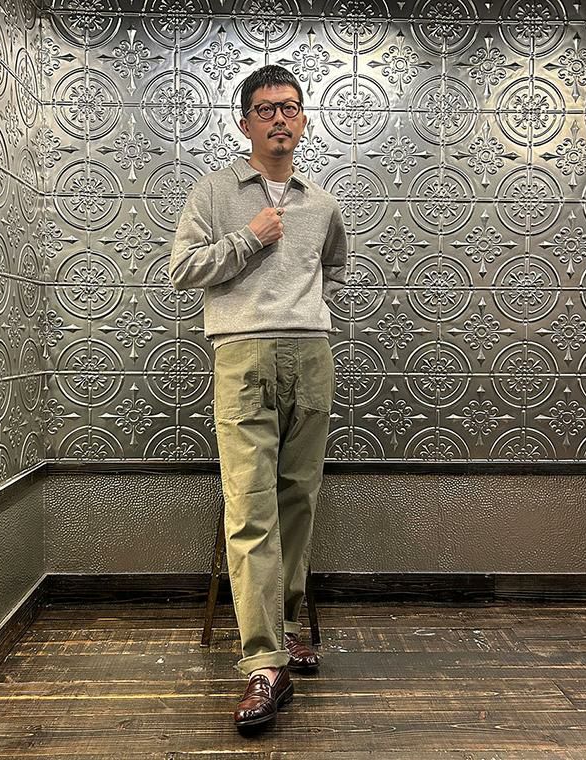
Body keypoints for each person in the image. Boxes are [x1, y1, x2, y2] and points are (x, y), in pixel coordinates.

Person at [168, 64, 349, 732]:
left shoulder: (321, 202)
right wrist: (250, 238)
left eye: (290, 108)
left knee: (298, 496)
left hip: (310, 355)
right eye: (266, 108)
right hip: (242, 356)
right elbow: (182, 269)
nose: (279, 119)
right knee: (249, 506)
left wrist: (304, 312)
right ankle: (265, 664)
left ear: (303, 121)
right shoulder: (215, 192)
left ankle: (288, 624)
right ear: (244, 122)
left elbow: (333, 269)